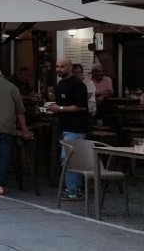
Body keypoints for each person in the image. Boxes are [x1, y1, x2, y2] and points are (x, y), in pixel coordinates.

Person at [47, 57, 91, 201]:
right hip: (65, 125)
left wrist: (59, 108)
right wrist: (53, 104)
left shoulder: (77, 85)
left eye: (62, 66)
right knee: (68, 157)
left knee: (69, 158)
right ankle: (73, 187)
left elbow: (81, 106)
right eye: (57, 66)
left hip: (76, 126)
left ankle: (73, 189)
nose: (59, 69)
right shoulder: (60, 84)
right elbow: (61, 104)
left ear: (70, 68)